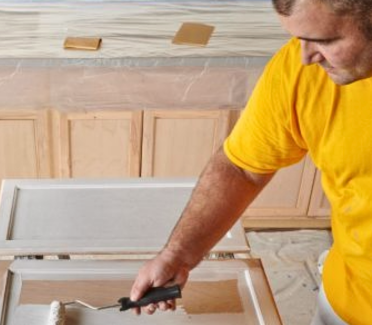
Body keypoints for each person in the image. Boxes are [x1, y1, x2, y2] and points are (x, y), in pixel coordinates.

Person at [130, 0, 372, 324]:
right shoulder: (302, 73)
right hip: (347, 302)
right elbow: (241, 169)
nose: (306, 56)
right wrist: (178, 256)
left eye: (325, 41)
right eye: (300, 38)